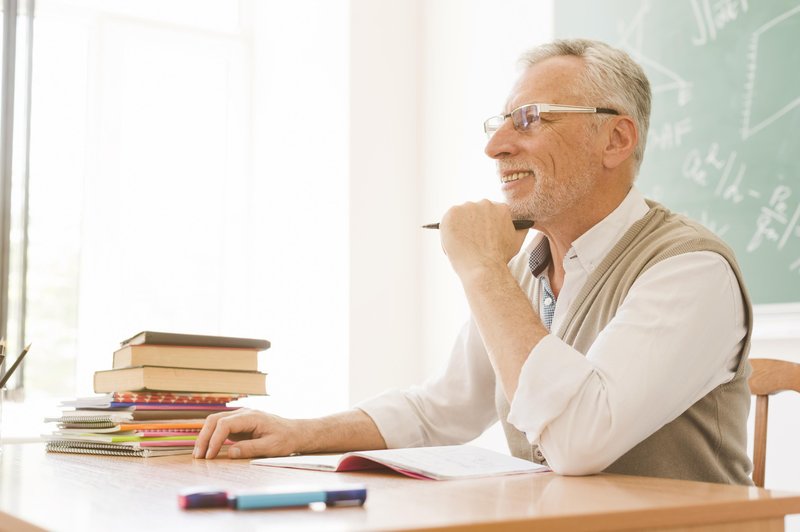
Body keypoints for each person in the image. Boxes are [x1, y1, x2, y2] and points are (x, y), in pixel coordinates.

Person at [193, 38, 753, 485]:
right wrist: (297, 433)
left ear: (615, 139)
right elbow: (440, 409)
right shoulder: (527, 268)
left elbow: (581, 441)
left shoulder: (689, 270)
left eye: (530, 118)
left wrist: (483, 272)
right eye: (500, 123)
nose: (496, 147)